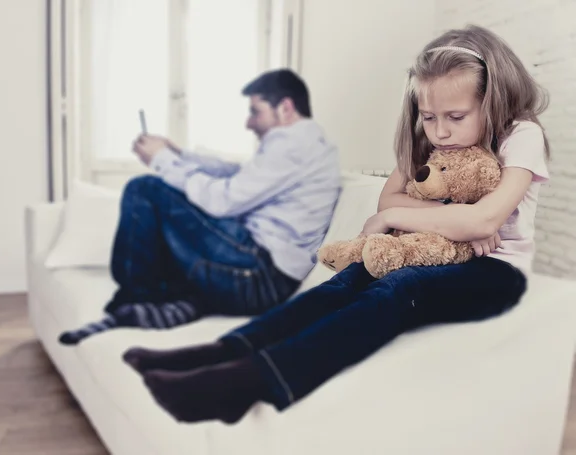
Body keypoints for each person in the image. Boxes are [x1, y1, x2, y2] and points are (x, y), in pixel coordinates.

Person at [122, 24, 551, 424]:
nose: (438, 131)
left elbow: (484, 218)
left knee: (399, 289)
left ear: (492, 101)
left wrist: (399, 217)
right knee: (344, 282)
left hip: (495, 270)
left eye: (455, 118)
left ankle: (249, 382)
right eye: (428, 116)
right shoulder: (427, 138)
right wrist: (435, 218)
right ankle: (219, 352)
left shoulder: (521, 135)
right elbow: (393, 198)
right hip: (424, 252)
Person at [58, 69, 341, 345]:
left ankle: (138, 299)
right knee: (165, 220)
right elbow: (238, 173)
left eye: (256, 111)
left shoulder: (293, 143)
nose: (249, 122)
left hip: (260, 276)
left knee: (145, 189)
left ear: (286, 107)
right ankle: (177, 303)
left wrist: (162, 160)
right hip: (266, 275)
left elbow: (222, 201)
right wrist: (178, 153)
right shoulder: (306, 142)